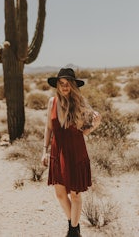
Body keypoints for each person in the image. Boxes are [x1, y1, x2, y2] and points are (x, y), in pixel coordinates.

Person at [41, 68, 101, 237]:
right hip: (57, 150)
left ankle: (73, 231)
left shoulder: (79, 104)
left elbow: (82, 132)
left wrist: (94, 125)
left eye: (68, 84)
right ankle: (74, 225)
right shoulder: (52, 102)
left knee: (75, 195)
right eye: (61, 84)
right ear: (57, 86)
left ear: (73, 86)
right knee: (60, 194)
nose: (64, 87)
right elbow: (48, 128)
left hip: (76, 151)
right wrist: (44, 151)